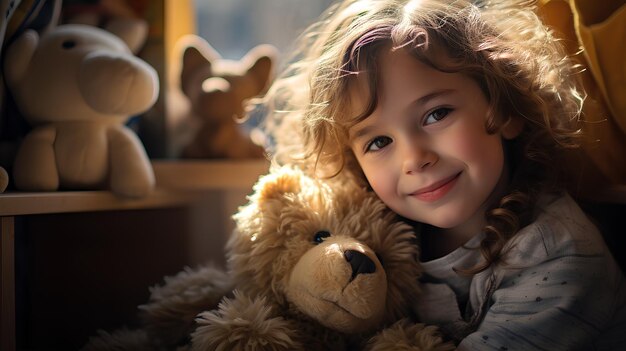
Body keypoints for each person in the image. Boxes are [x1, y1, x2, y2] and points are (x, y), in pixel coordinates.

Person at [261, 0, 626, 349]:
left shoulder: (559, 257)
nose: (414, 159)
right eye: (379, 141)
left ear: (505, 110)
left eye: (436, 114)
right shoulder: (376, 239)